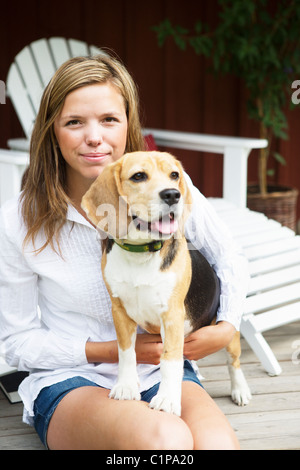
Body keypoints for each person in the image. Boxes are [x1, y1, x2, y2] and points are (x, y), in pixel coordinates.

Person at [0, 53, 248, 450]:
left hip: (162, 370)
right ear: (52, 131)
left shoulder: (170, 190)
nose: (94, 137)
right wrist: (110, 351)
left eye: (109, 120)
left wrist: (228, 325)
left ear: (128, 125)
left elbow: (228, 257)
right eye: (75, 122)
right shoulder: (18, 220)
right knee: (165, 442)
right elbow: (18, 342)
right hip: (71, 375)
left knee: (219, 446)